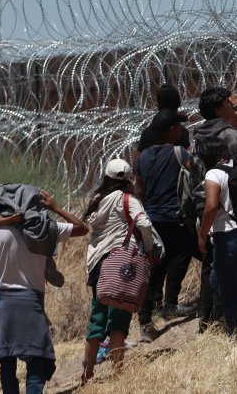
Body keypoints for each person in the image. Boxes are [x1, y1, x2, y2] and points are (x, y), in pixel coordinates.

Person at [0, 186, 87, 394]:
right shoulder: (46, 228)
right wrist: (56, 208)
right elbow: (83, 228)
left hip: (4, 303)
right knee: (37, 360)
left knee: (7, 361)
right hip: (31, 301)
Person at [80, 159, 154, 384]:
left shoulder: (96, 200)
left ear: (106, 176)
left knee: (98, 315)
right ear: (128, 177)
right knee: (119, 316)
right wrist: (149, 250)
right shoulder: (128, 200)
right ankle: (118, 371)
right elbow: (145, 224)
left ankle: (88, 372)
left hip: (97, 264)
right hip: (121, 264)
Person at [135, 108, 195, 342]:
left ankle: (145, 320)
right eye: (178, 127)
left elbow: (139, 191)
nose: (180, 130)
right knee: (184, 252)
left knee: (153, 268)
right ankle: (170, 304)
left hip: (152, 220)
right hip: (176, 218)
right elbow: (197, 177)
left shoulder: (143, 158)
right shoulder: (180, 153)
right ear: (172, 130)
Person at [195, 137, 237, 335]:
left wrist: (202, 235)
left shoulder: (213, 173)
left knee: (226, 287)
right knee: (233, 279)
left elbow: (212, 206)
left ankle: (236, 330)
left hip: (227, 236)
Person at [193, 87, 237, 168]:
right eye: (227, 102)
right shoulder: (230, 135)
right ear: (218, 109)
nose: (231, 104)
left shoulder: (199, 135)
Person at [135, 84, 191, 156]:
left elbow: (137, 162)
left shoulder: (146, 134)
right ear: (178, 104)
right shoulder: (183, 133)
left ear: (158, 105)